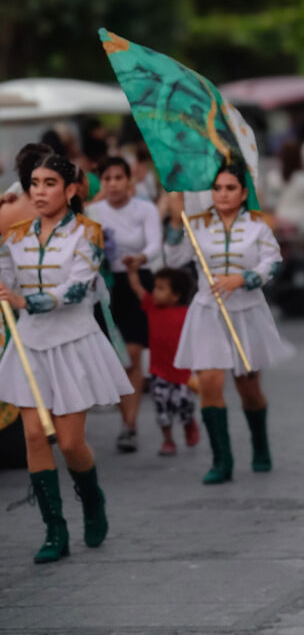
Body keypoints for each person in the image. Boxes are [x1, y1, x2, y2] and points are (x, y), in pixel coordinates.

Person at [0, 152, 133, 563]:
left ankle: (91, 499)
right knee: (35, 437)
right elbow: (5, 277)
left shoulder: (90, 233)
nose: (39, 192)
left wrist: (26, 299)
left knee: (72, 442)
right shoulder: (16, 235)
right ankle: (54, 530)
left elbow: (77, 289)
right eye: (34, 184)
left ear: (70, 190)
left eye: (49, 184)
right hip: (29, 344)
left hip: (74, 341)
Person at [164, 161, 290, 485]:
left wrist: (244, 279)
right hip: (208, 311)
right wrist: (175, 223)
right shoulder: (197, 225)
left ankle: (259, 445)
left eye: (230, 188)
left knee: (248, 387)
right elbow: (174, 260)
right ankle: (222, 460)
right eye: (217, 188)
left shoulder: (259, 227)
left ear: (243, 192)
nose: (222, 194)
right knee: (209, 383)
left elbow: (273, 264)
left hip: (247, 312)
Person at [87, 156, 163, 452]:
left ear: (129, 181)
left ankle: (129, 425)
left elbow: (155, 245)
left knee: (131, 352)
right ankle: (124, 419)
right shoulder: (92, 212)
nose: (113, 184)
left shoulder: (144, 209)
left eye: (119, 178)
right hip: (102, 285)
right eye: (107, 178)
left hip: (136, 280)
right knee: (114, 357)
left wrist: (140, 258)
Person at [124, 258, 198, 456]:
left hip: (182, 374)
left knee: (185, 406)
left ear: (176, 295)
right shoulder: (152, 307)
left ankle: (189, 423)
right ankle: (168, 440)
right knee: (163, 410)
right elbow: (137, 288)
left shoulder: (187, 314)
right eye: (156, 287)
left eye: (161, 288)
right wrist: (132, 271)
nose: (154, 291)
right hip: (159, 373)